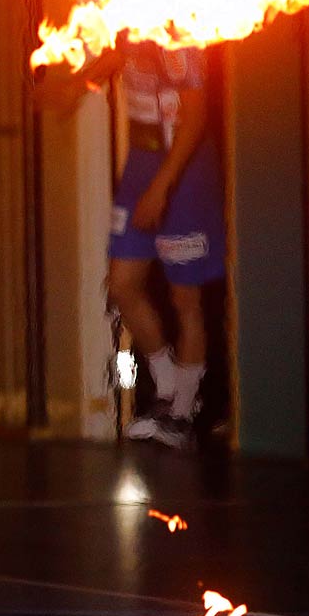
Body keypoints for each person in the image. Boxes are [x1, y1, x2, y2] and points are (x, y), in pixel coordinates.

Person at [39, 37, 224, 449]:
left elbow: (195, 118)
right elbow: (111, 59)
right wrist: (73, 85)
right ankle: (169, 387)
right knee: (122, 283)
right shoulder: (132, 22)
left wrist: (162, 186)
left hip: (184, 171)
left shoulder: (183, 37)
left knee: (185, 300)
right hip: (142, 160)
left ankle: (182, 413)